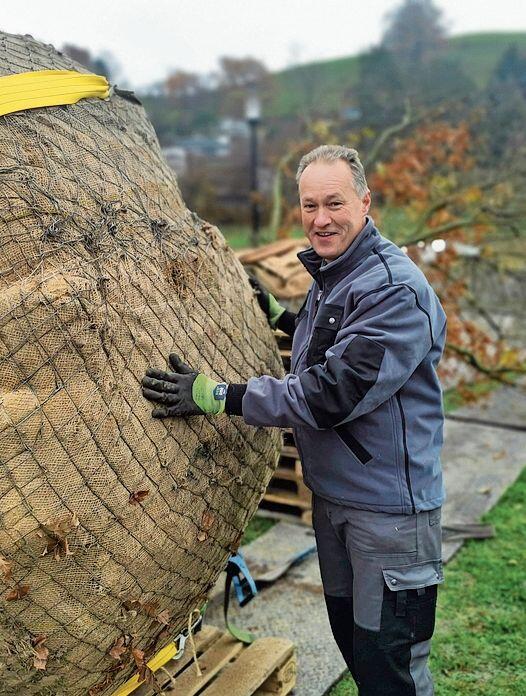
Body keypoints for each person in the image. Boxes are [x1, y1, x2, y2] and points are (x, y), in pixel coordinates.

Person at [142, 145, 447, 696]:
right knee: (358, 651)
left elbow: (331, 393)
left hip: (389, 516)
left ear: (365, 201)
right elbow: (331, 347)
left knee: (392, 670)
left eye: (334, 203)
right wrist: (281, 317)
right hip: (335, 499)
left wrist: (216, 396)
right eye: (310, 206)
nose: (320, 218)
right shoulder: (337, 273)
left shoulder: (395, 290)